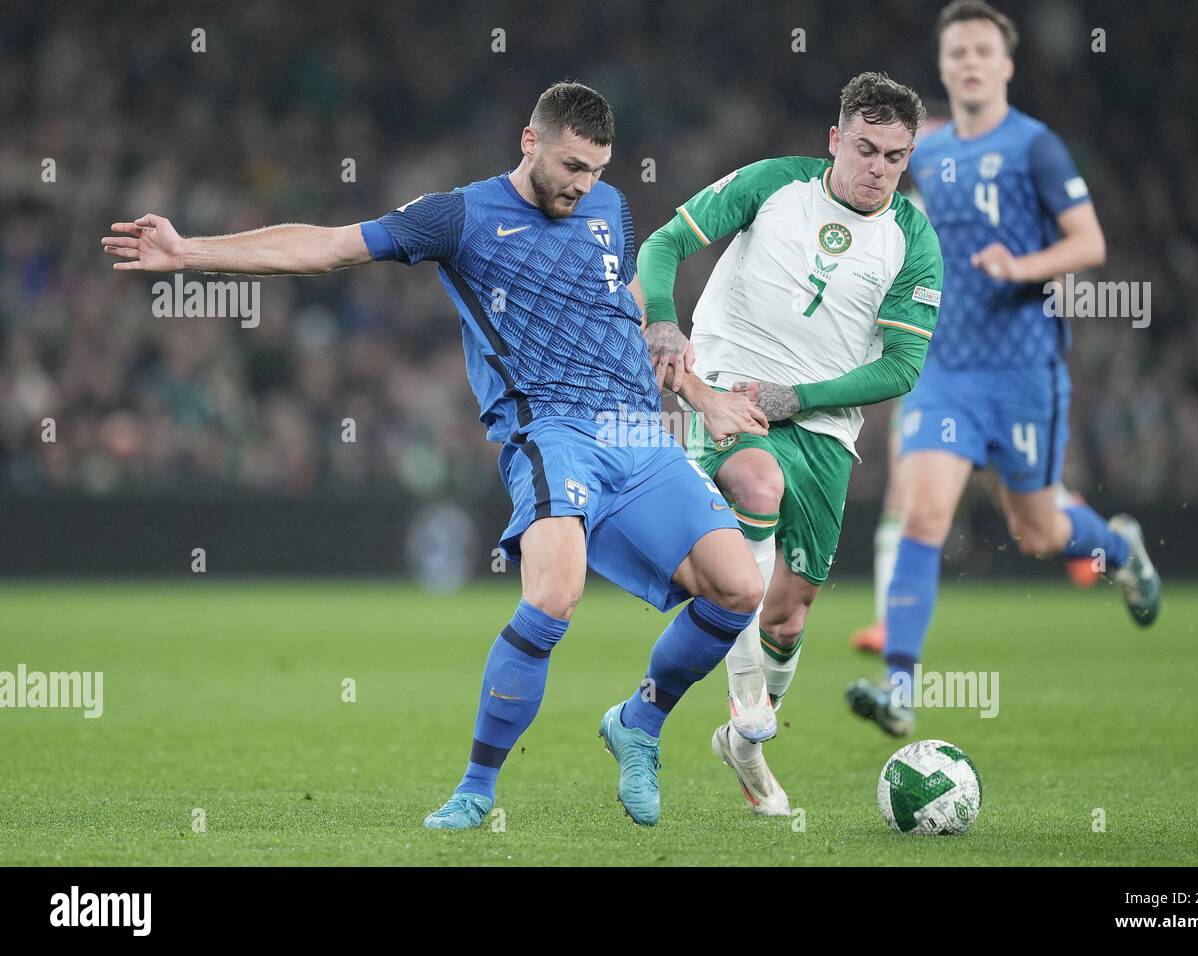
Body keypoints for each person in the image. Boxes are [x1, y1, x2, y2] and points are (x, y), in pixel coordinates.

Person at [102, 81, 770, 828]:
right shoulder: (459, 215)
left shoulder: (609, 210)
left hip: (640, 435)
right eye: (572, 166)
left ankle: (638, 725)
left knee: (739, 587)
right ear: (530, 141)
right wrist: (191, 252)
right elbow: (326, 248)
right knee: (553, 594)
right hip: (551, 432)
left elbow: (627, 315)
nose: (583, 185)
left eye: (597, 170)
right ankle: (478, 789)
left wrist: (696, 389)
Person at [845, 1, 1161, 738]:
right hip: (944, 367)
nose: (969, 62)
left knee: (1040, 533)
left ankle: (1120, 548)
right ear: (944, 64)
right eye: (956, 51)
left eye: (983, 50)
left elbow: (1088, 243)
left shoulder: (1037, 147)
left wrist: (1022, 267)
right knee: (922, 512)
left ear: (1007, 64)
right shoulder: (922, 151)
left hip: (1022, 371)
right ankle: (900, 689)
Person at [637, 73, 942, 813]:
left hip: (827, 432)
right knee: (755, 486)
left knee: (789, 613)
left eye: (894, 157)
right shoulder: (774, 184)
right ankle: (747, 705)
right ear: (835, 140)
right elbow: (665, 242)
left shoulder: (913, 240)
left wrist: (798, 398)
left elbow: (902, 366)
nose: (877, 168)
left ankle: (742, 748)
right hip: (732, 392)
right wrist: (661, 319)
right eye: (865, 148)